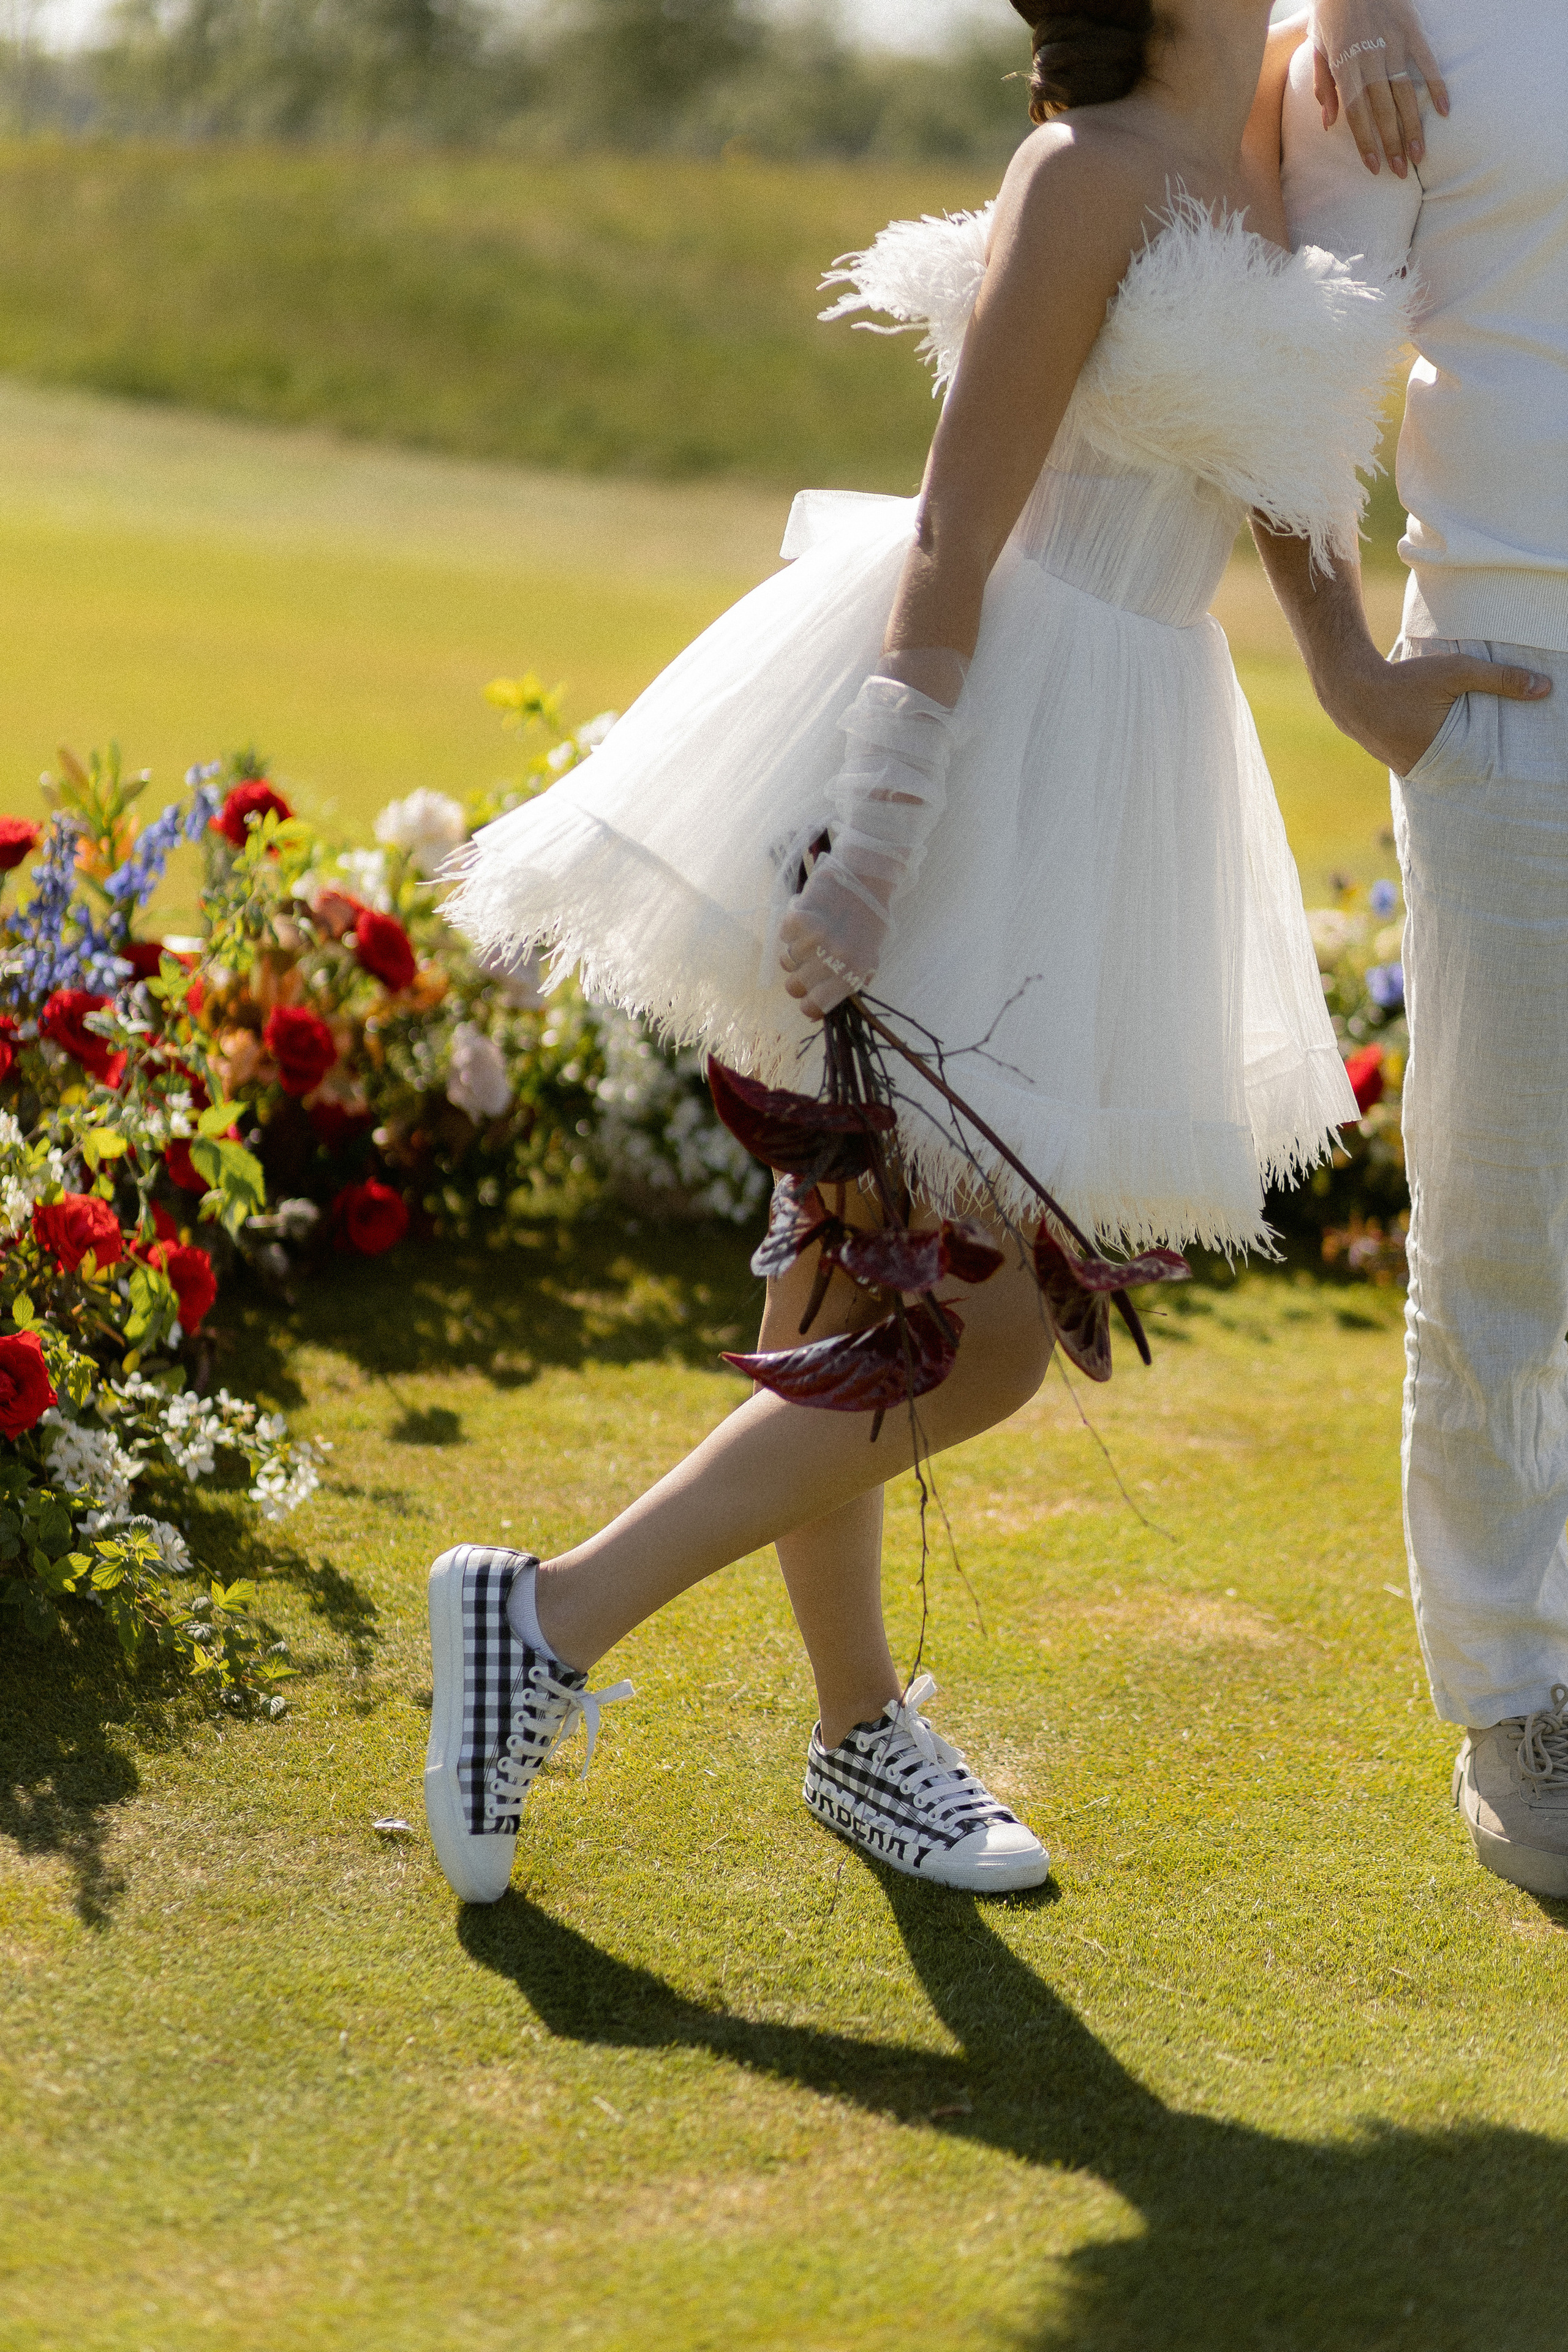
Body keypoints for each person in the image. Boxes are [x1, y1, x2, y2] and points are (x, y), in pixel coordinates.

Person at [423, 0, 1408, 1907]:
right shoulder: (1087, 170)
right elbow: (957, 533)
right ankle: (544, 1619)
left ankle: (858, 1732)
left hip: (1129, 745)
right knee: (973, 1338)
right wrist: (877, 853)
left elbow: (1283, 446)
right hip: (975, 734)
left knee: (858, 1271)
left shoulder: (1290, 147)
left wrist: (1358, 666)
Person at [1256, 1, 1568, 1896]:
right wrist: (1353, 675)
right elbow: (1288, 375)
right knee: (1513, 1234)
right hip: (1519, 697)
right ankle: (1524, 1699)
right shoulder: (1388, 34)